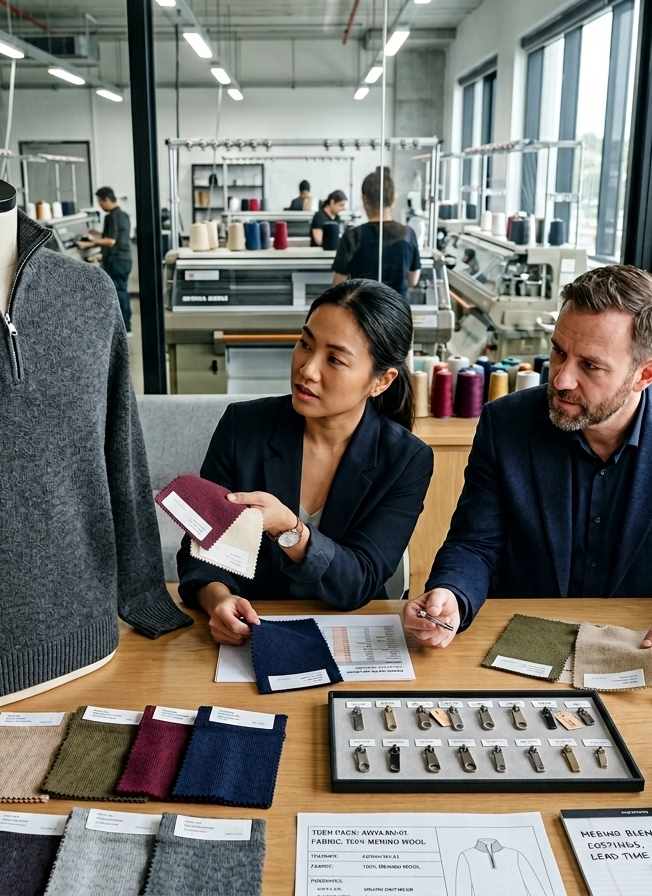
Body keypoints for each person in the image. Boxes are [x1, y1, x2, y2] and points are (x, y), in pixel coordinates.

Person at [403, 265, 652, 673]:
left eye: (591, 366)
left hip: (649, 647)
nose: (562, 379)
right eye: (559, 352)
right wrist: (451, 593)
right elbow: (475, 544)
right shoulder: (506, 424)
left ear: (645, 374)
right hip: (525, 640)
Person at [178, 279, 434, 645]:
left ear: (381, 381)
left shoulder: (406, 460)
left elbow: (358, 582)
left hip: (350, 640)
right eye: (305, 344)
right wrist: (217, 598)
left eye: (334, 359)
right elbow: (200, 550)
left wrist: (289, 528)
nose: (307, 369)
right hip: (252, 634)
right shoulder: (243, 428)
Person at [332, 167, 421, 300]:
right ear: (393, 199)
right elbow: (413, 280)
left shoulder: (351, 237)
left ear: (364, 199)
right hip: (397, 313)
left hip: (362, 314)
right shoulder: (408, 234)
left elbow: (338, 285)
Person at [79, 187, 133, 331]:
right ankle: (126, 326)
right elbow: (115, 237)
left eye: (100, 202)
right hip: (124, 259)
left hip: (116, 260)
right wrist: (98, 234)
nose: (100, 205)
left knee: (118, 292)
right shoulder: (123, 215)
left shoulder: (112, 216)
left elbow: (111, 241)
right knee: (122, 290)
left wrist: (88, 244)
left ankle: (124, 327)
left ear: (107, 200)